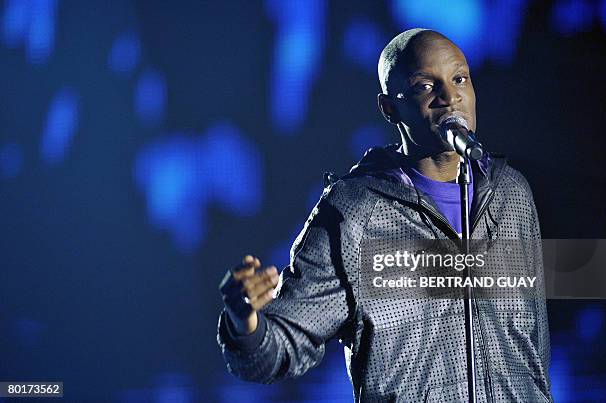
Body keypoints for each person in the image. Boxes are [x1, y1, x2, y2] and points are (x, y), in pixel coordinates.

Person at [217, 28, 552, 402]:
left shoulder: (511, 194)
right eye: (426, 86)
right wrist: (245, 324)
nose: (450, 97)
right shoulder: (355, 212)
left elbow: (533, 346)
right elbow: (278, 350)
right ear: (389, 107)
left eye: (459, 79)